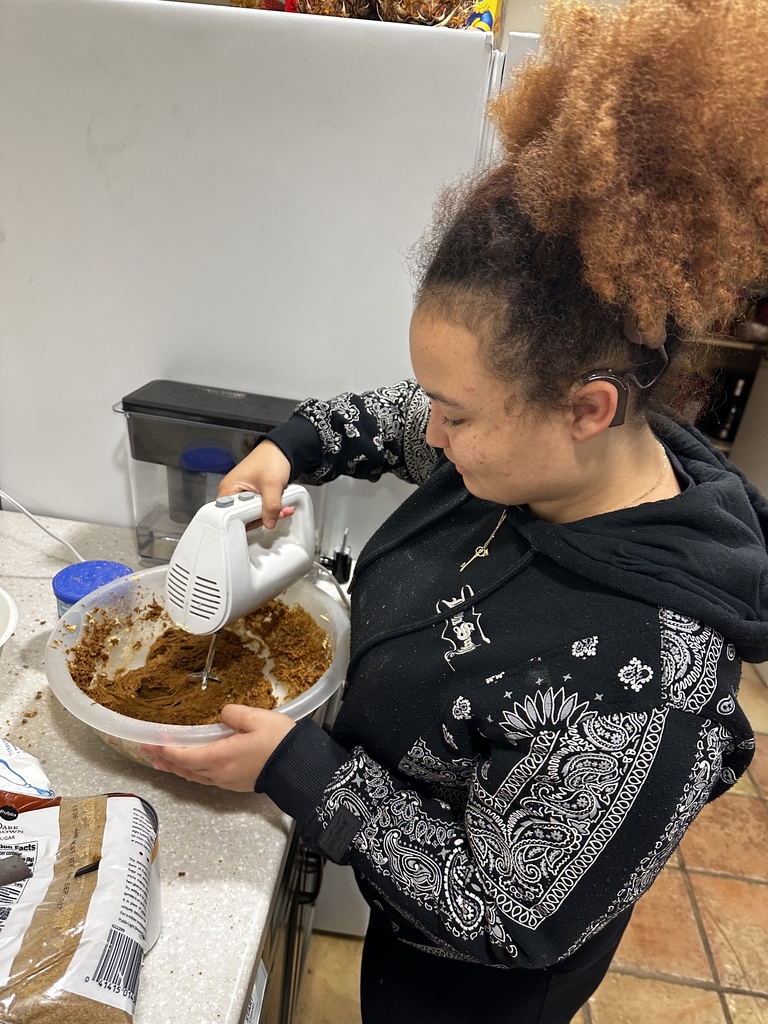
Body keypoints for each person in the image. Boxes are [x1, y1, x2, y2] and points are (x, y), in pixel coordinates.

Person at [143, 0, 768, 1020]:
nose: (428, 432)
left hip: (472, 988)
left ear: (587, 408)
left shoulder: (652, 682)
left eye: (457, 414)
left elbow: (510, 913)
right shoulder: (532, 459)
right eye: (434, 398)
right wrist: (290, 446)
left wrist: (304, 773)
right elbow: (397, 417)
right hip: (398, 921)